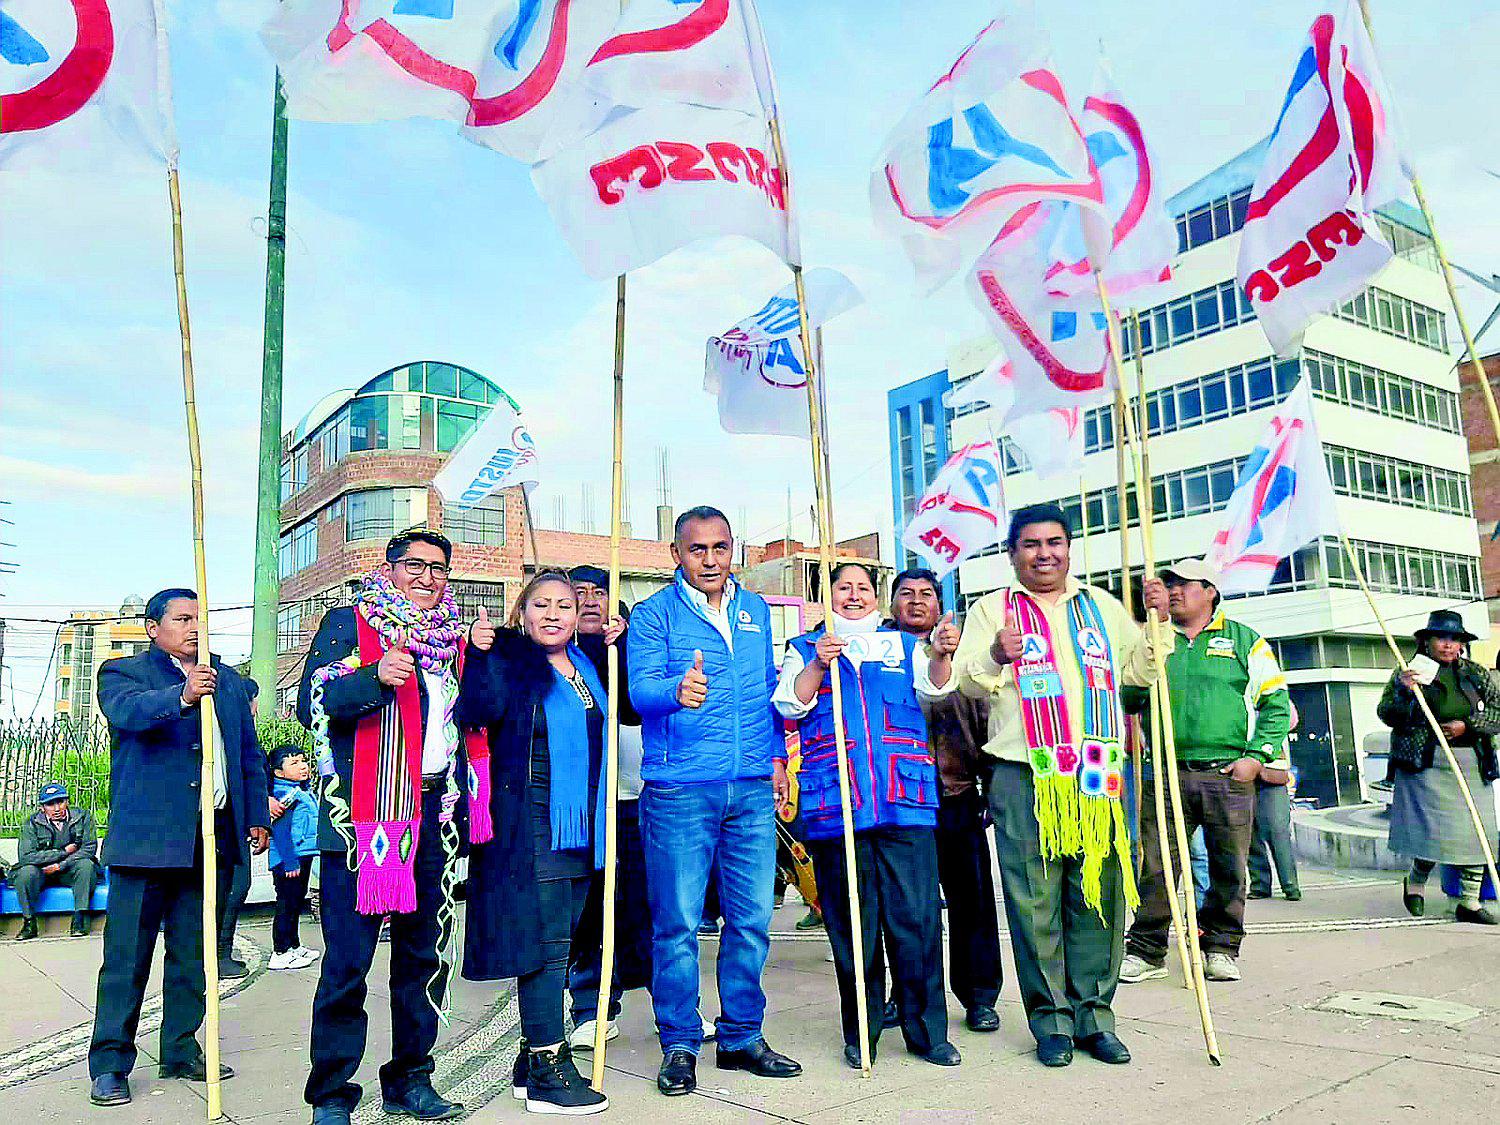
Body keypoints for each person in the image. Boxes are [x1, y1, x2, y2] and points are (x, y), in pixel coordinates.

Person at [953, 504, 1166, 1069]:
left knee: (1097, 894)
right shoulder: (991, 609)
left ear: (1069, 547)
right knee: (1033, 900)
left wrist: (1157, 622)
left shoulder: (1101, 606)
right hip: (1024, 773)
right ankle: (1050, 1022)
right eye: (1030, 544)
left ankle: (1095, 1016)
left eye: (1054, 542)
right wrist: (998, 652)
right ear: (1012, 552)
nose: (1044, 553)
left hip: (1096, 769)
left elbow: (1140, 674)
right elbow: (967, 682)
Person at [299, 530, 481, 1125]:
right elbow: (311, 704)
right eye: (414, 565)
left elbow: (481, 713)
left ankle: (411, 1080)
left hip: (436, 814)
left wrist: (480, 654)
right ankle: (331, 1094)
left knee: (423, 957)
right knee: (347, 964)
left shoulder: (455, 640)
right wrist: (374, 677)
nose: (426, 577)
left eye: (437, 568)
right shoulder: (349, 623)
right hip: (361, 818)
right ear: (389, 567)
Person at [627, 506, 802, 1096]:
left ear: (735, 549)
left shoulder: (754, 610)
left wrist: (775, 759)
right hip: (680, 787)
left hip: (751, 785)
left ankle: (742, 1036)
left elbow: (764, 694)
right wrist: (675, 692)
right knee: (676, 923)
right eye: (697, 549)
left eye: (720, 547)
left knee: (751, 920)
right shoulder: (654, 615)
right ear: (675, 553)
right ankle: (679, 1043)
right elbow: (639, 691)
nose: (710, 559)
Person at [88, 588, 270, 1107]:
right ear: (154, 628)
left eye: (201, 618)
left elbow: (248, 756)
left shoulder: (229, 682)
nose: (195, 628)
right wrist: (183, 696)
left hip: (208, 839)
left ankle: (181, 1047)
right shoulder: (124, 674)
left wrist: (254, 815)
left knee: (194, 956)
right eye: (183, 619)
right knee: (127, 958)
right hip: (145, 843)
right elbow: (127, 715)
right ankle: (110, 1063)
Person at [775, 562, 961, 1069]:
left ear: (874, 595)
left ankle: (927, 1031)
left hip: (905, 800)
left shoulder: (902, 644)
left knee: (918, 919)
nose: (853, 595)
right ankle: (862, 1030)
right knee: (853, 924)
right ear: (826, 593)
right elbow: (789, 705)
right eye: (842, 587)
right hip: (838, 804)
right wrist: (816, 663)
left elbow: (937, 687)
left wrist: (942, 655)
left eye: (861, 587)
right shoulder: (802, 646)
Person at [461, 572, 612, 1116]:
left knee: (564, 943)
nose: (553, 614)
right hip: (531, 822)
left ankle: (529, 1064)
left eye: (564, 605)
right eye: (541, 604)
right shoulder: (508, 658)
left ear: (578, 614)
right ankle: (549, 1064)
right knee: (545, 949)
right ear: (522, 613)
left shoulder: (591, 666)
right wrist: (477, 656)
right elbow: (476, 711)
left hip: (582, 828)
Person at [1121, 559, 1291, 986]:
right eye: (1169, 584)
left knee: (1228, 867)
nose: (1174, 590)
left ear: (1210, 591)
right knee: (1157, 865)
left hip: (1227, 775)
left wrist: (1257, 756)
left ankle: (1220, 947)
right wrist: (1149, 635)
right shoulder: (1153, 640)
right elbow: (1128, 697)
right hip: (1164, 771)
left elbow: (1277, 704)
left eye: (1184, 584)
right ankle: (1146, 949)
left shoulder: (1244, 641)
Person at [886, 568, 1003, 1035]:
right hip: (899, 798)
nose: (917, 602)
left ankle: (979, 997)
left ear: (939, 605)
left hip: (957, 794)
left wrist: (992, 781)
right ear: (891, 602)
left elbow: (988, 717)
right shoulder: (878, 652)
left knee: (972, 900)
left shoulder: (966, 650)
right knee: (907, 907)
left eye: (927, 595)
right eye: (906, 594)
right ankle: (907, 993)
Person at [563, 566, 655, 1053]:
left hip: (638, 797)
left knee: (652, 905)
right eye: (579, 593)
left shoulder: (626, 646)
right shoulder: (556, 657)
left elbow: (636, 707)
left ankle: (674, 1007)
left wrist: (623, 647)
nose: (592, 601)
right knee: (592, 911)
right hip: (585, 805)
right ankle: (592, 1008)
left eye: (601, 592)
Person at [1379, 610, 1500, 925]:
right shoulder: (1409, 673)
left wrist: (1467, 725)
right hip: (1426, 762)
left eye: (1454, 639)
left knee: (1477, 832)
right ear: (1428, 641)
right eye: (1441, 638)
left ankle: (1469, 902)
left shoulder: (1476, 674)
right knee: (1434, 832)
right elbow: (1387, 713)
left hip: (1472, 760)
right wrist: (1406, 691)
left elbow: (1498, 712)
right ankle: (1416, 881)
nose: (1448, 645)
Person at [11, 781, 100, 940]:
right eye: (50, 804)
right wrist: (61, 853)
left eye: (60, 801)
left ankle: (79, 919)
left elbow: (89, 848)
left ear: (67, 801)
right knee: (25, 873)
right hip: (42, 871)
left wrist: (61, 865)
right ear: (42, 807)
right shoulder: (31, 823)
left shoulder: (83, 817)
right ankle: (29, 922)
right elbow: (26, 856)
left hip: (69, 869)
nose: (57, 808)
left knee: (86, 865)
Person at [217, 678, 262, 980]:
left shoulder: (241, 734)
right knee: (232, 887)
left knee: (236, 885)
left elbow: (253, 769)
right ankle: (217, 952)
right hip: (225, 821)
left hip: (240, 821)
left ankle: (222, 951)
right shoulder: (227, 731)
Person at [267, 744, 322, 970]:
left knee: (297, 902)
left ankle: (293, 945)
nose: (303, 766)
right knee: (287, 903)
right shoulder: (285, 794)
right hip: (289, 859)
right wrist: (289, 861)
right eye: (294, 763)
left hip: (304, 854)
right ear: (278, 772)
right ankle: (280, 951)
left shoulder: (300, 789)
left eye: (302, 760)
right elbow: (280, 830)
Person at [1249, 703, 1302, 902]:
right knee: (1249, 832)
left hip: (1271, 773)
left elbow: (1291, 720)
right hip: (1242, 771)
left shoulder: (1272, 694)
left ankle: (1290, 884)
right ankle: (1260, 884)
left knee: (1277, 830)